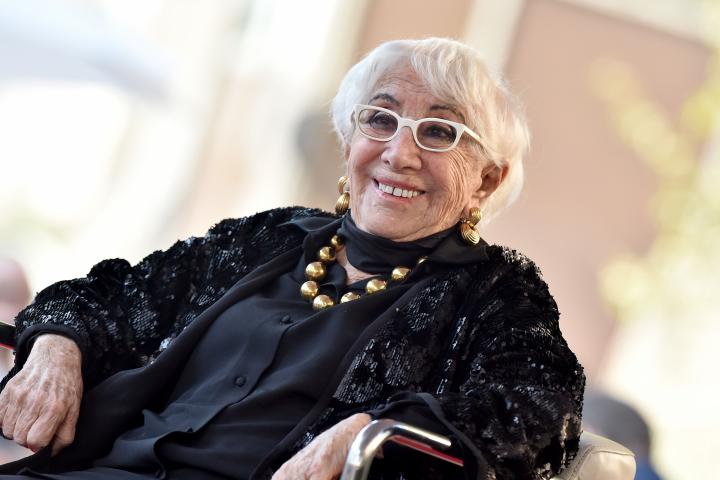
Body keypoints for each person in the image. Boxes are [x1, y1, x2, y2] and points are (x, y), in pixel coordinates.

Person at [0, 38, 585, 479]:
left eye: (438, 133)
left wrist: (369, 430)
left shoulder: (498, 295)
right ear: (349, 142)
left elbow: (534, 415)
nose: (399, 153)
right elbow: (109, 297)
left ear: (486, 179)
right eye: (380, 120)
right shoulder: (269, 237)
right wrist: (56, 348)